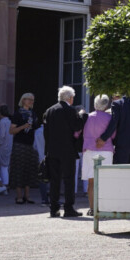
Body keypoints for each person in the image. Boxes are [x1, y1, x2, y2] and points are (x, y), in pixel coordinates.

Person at [42, 86, 86, 217]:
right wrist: (83, 115)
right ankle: (68, 208)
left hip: (52, 150)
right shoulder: (70, 110)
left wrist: (47, 150)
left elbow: (46, 133)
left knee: (54, 180)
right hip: (67, 150)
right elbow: (77, 126)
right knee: (68, 179)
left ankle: (53, 208)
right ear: (70, 98)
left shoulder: (49, 110)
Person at [81, 95, 115, 213]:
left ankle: (92, 208)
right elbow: (113, 135)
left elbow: (77, 134)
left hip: (89, 150)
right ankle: (103, 208)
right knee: (105, 180)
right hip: (106, 149)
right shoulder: (109, 118)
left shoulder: (87, 117)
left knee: (91, 181)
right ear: (106, 105)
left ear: (95, 104)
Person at [8, 93, 40, 205]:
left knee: (29, 170)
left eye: (33, 100)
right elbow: (11, 131)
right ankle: (19, 196)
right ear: (23, 100)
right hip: (19, 144)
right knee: (19, 169)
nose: (31, 101)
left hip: (31, 145)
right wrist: (23, 127)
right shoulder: (17, 114)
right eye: (29, 99)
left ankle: (27, 196)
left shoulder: (33, 114)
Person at [99, 94, 130, 165]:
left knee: (120, 171)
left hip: (122, 143)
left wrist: (104, 138)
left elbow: (114, 122)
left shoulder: (117, 104)